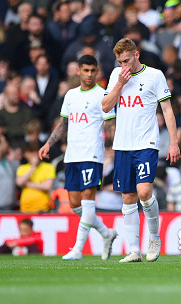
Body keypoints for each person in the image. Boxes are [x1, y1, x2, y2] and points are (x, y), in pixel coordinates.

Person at [102, 38, 181, 263]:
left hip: (146, 143)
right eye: (120, 61)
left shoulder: (154, 76)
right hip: (123, 145)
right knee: (127, 196)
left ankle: (154, 238)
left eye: (127, 60)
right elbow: (106, 106)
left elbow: (167, 110)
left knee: (144, 192)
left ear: (137, 55)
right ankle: (134, 250)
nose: (123, 65)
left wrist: (174, 142)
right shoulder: (116, 76)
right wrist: (119, 83)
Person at [39, 55, 118, 261]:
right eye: (86, 70)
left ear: (97, 71)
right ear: (78, 71)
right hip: (72, 155)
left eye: (93, 70)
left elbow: (111, 125)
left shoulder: (103, 95)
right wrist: (48, 143)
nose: (90, 74)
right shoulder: (70, 95)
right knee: (75, 205)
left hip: (92, 154)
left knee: (88, 199)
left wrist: (117, 146)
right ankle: (106, 233)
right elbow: (63, 124)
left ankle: (77, 250)